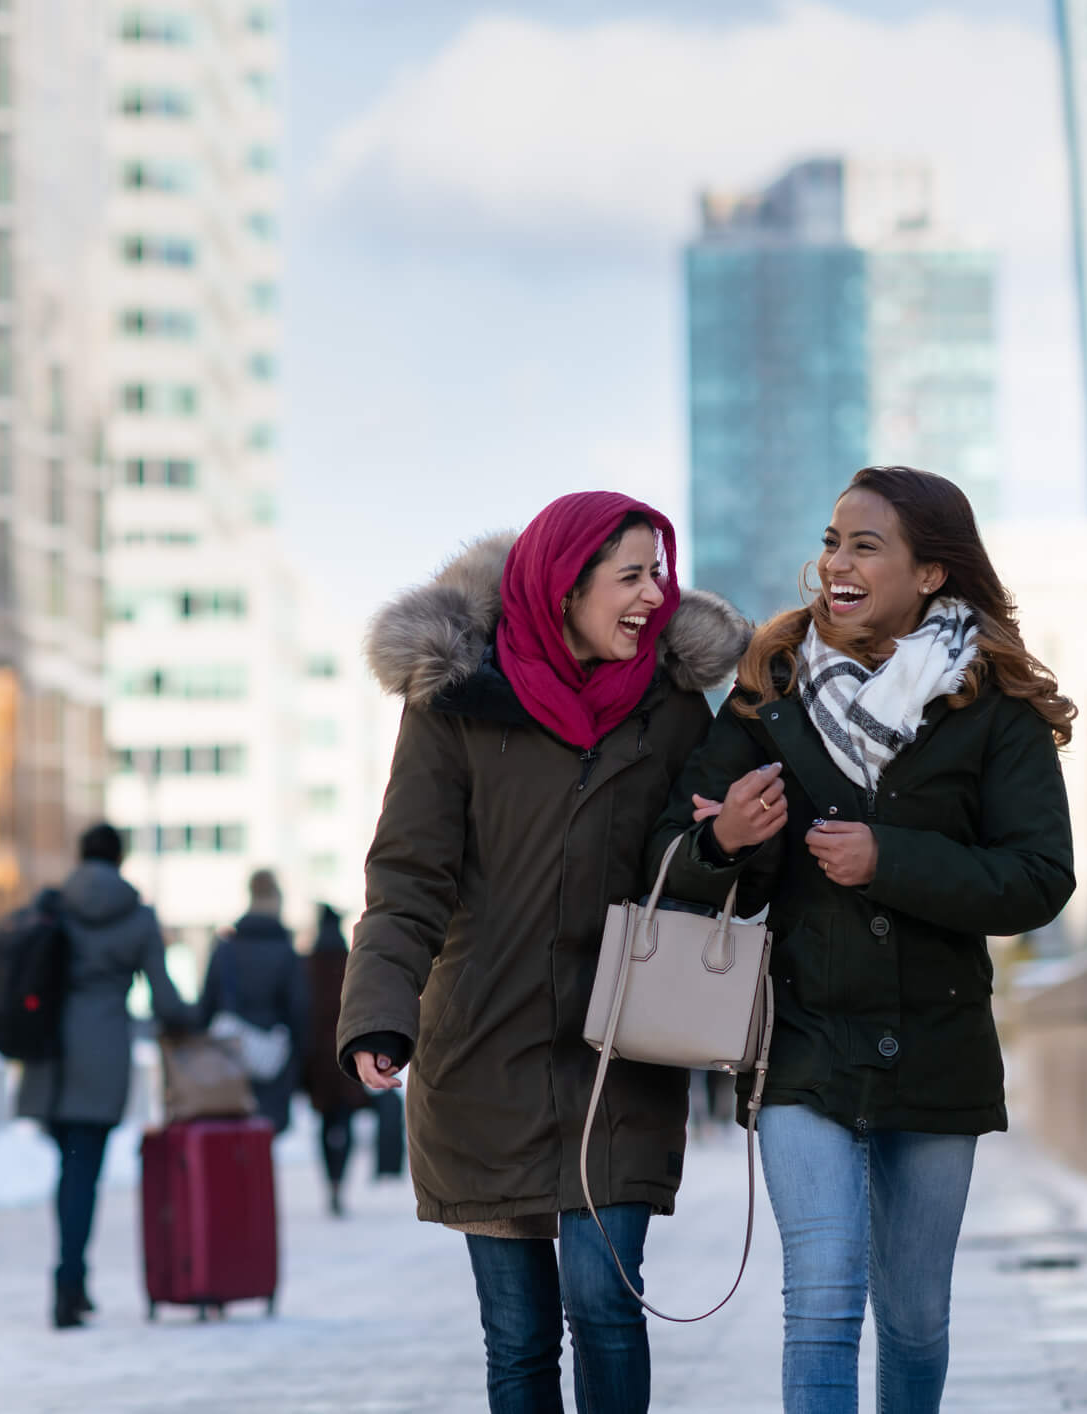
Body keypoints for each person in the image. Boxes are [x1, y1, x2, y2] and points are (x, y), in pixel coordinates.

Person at [647, 466, 1077, 1414]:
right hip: (804, 1044)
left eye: (863, 546)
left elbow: (1040, 879)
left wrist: (891, 857)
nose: (834, 563)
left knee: (916, 1316)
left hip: (938, 1047)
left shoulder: (991, 705)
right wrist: (726, 841)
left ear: (929, 573)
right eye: (832, 540)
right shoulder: (770, 691)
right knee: (824, 1299)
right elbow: (667, 855)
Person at [338, 492, 750, 1414]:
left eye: (658, 573)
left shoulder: (674, 706)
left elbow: (675, 869)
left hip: (618, 1044)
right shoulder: (452, 707)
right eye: (630, 576)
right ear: (565, 587)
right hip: (484, 1047)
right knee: (518, 1333)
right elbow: (408, 876)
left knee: (606, 1300)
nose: (653, 596)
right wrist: (378, 1010)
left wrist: (720, 844)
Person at [14, 822, 198, 1331]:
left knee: (68, 1172)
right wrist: (192, 1015)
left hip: (50, 1056)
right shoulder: (137, 918)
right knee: (83, 1174)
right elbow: (163, 998)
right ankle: (69, 1282)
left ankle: (69, 1279)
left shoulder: (55, 905)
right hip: (102, 1057)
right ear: (121, 860)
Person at [198, 869, 310, 1135]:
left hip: (228, 1059)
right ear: (277, 899)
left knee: (229, 1139)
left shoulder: (225, 949)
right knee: (263, 1142)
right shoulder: (286, 953)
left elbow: (205, 1008)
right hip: (273, 1061)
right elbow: (300, 1013)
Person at [301, 903, 369, 1216]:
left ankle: (331, 1183)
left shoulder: (307, 965)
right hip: (346, 1054)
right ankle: (340, 1182)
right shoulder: (350, 963)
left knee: (326, 1122)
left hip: (318, 1059)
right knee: (345, 1121)